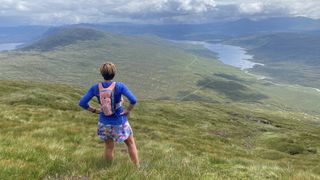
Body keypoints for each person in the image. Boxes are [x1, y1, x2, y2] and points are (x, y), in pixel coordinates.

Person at [79, 62, 139, 166]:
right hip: (120, 121)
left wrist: (96, 110)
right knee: (130, 143)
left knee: (109, 147)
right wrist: (128, 110)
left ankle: (107, 168)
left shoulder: (95, 88)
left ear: (102, 73)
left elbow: (82, 103)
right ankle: (137, 167)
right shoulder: (120, 86)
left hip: (104, 122)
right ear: (114, 73)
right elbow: (133, 100)